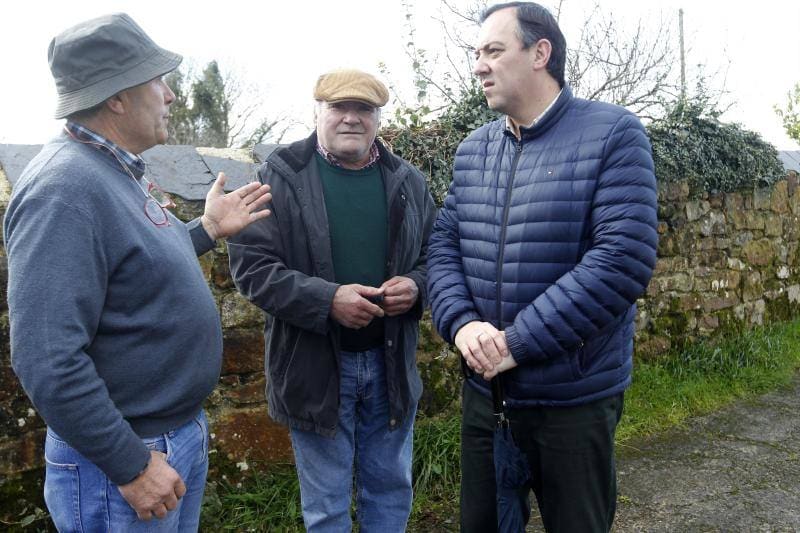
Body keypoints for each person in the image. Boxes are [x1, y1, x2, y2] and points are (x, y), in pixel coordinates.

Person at [4, 13, 271, 531]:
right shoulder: (63, 190)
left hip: (168, 439)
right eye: (158, 80)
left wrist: (206, 229)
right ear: (117, 98)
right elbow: (46, 357)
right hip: (123, 461)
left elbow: (134, 265)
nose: (171, 95)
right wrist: (130, 463)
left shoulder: (114, 170)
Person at [426, 2, 659, 532]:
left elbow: (623, 259)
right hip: (487, 399)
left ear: (540, 52)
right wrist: (462, 324)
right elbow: (442, 248)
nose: (478, 65)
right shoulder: (473, 151)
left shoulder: (613, 134)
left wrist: (516, 343)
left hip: (572, 401)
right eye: (476, 53)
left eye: (493, 50)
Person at [227, 68, 436, 532]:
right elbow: (252, 269)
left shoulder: (409, 181)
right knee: (325, 507)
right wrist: (328, 300)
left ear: (378, 118)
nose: (351, 118)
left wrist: (417, 285)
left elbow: (436, 257)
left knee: (390, 491)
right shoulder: (276, 178)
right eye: (339, 106)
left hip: (390, 368)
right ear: (317, 111)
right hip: (316, 369)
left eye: (363, 108)